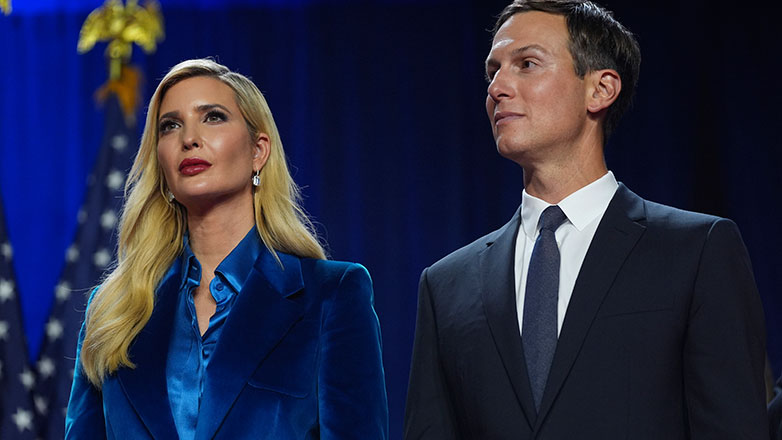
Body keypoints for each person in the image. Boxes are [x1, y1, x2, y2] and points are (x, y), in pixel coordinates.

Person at [404, 1, 767, 438]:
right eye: (493, 71)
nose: (497, 87)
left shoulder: (697, 251)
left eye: (526, 64)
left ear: (600, 89)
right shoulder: (446, 285)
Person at [65, 58, 388, 439]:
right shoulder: (113, 310)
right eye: (170, 125)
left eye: (213, 117)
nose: (189, 138)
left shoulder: (331, 295)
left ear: (258, 151)